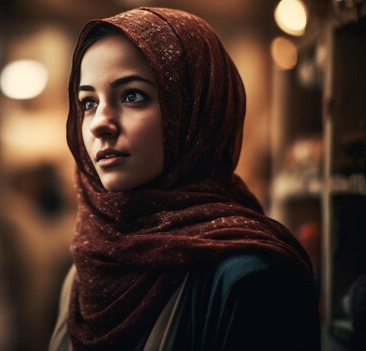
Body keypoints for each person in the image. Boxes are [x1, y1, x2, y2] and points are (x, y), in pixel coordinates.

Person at [49, 7, 320, 351]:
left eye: (133, 95)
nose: (99, 123)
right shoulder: (86, 274)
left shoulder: (253, 278)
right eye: (88, 102)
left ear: (195, 112)